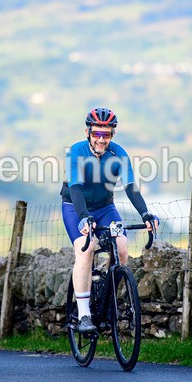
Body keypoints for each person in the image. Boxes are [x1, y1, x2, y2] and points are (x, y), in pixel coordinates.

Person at [60, 107, 158, 333]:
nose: (101, 139)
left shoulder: (119, 154)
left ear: (112, 134)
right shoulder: (76, 151)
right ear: (88, 132)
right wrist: (84, 218)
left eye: (106, 134)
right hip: (75, 208)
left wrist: (145, 214)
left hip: (105, 207)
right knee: (86, 250)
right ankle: (84, 314)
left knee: (122, 249)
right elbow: (75, 189)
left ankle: (107, 294)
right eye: (96, 134)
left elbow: (131, 187)